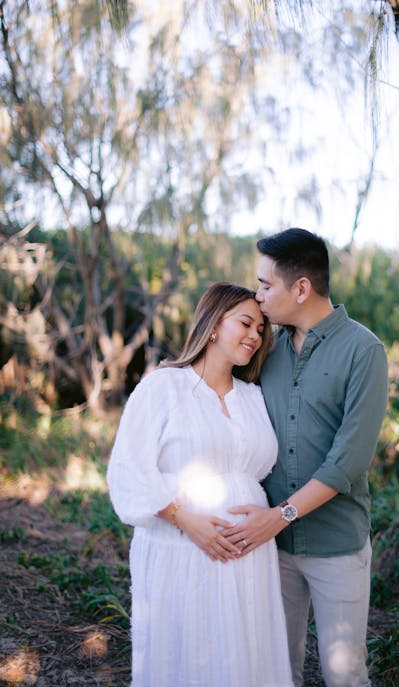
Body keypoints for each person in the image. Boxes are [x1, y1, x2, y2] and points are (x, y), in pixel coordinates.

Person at [222, 228, 389, 687]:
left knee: (345, 673)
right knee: (278, 669)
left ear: (301, 288)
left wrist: (280, 515)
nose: (258, 296)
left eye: (265, 285)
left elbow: (348, 461)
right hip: (272, 549)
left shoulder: (364, 351)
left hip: (337, 545)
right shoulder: (266, 348)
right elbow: (219, 383)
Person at [106, 282, 294, 687]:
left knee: (245, 658)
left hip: (250, 554)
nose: (255, 336)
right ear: (212, 325)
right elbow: (128, 469)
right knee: (192, 654)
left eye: (261, 329)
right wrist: (183, 519)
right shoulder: (165, 387)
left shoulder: (253, 397)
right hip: (182, 549)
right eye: (245, 323)